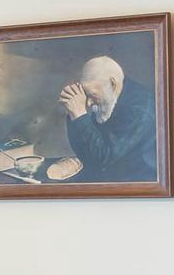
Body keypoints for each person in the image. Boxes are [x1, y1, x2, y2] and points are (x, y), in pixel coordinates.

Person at [59, 54, 155, 182]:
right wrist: (73, 114)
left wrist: (79, 114)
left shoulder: (140, 110)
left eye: (92, 95)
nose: (88, 103)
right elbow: (86, 154)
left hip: (134, 183)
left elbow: (104, 160)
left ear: (112, 84)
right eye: (86, 95)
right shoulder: (107, 98)